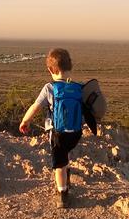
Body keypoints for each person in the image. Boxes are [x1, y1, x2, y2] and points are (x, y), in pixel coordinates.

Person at [19, 48, 83, 209]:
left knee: (58, 164)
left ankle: (62, 194)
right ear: (70, 66)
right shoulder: (78, 87)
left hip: (57, 132)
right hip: (75, 132)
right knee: (66, 154)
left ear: (50, 69)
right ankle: (67, 177)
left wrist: (25, 121)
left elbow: (35, 107)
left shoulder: (49, 88)